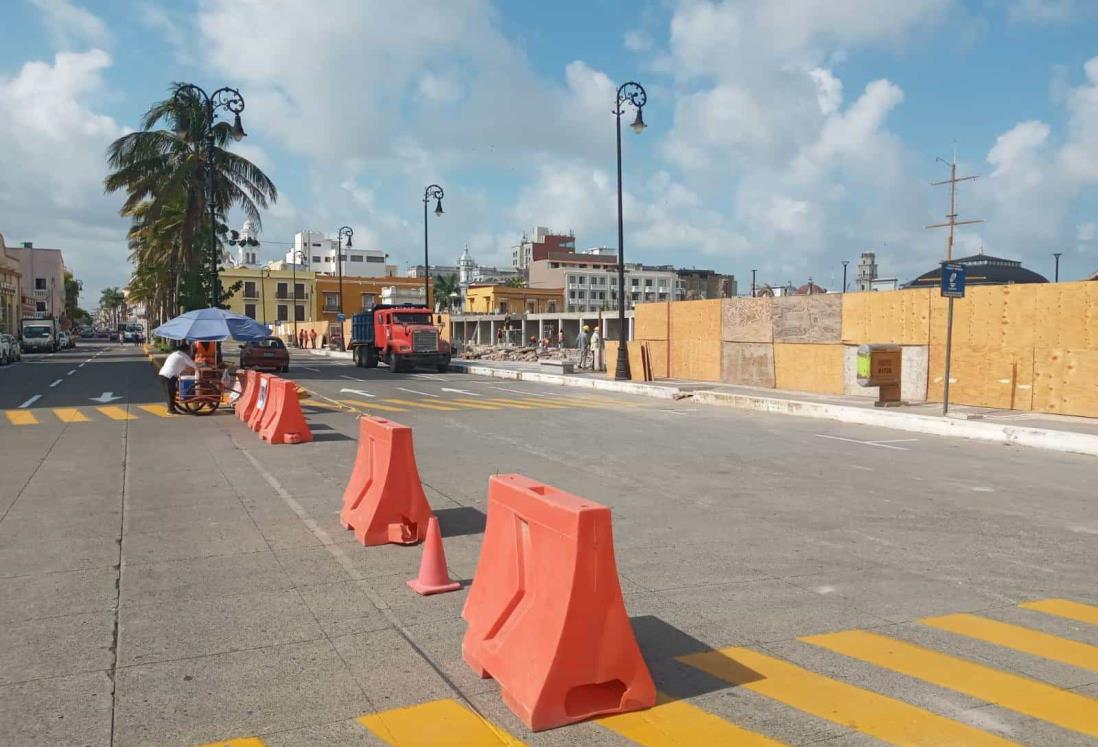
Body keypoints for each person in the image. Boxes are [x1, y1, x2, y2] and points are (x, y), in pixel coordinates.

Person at [159, 341, 195, 415]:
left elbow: (183, 366)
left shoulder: (175, 354)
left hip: (163, 374)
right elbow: (194, 366)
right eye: (190, 350)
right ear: (187, 350)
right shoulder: (184, 356)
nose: (190, 352)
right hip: (168, 375)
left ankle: (173, 408)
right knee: (170, 393)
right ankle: (170, 410)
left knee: (172, 392)